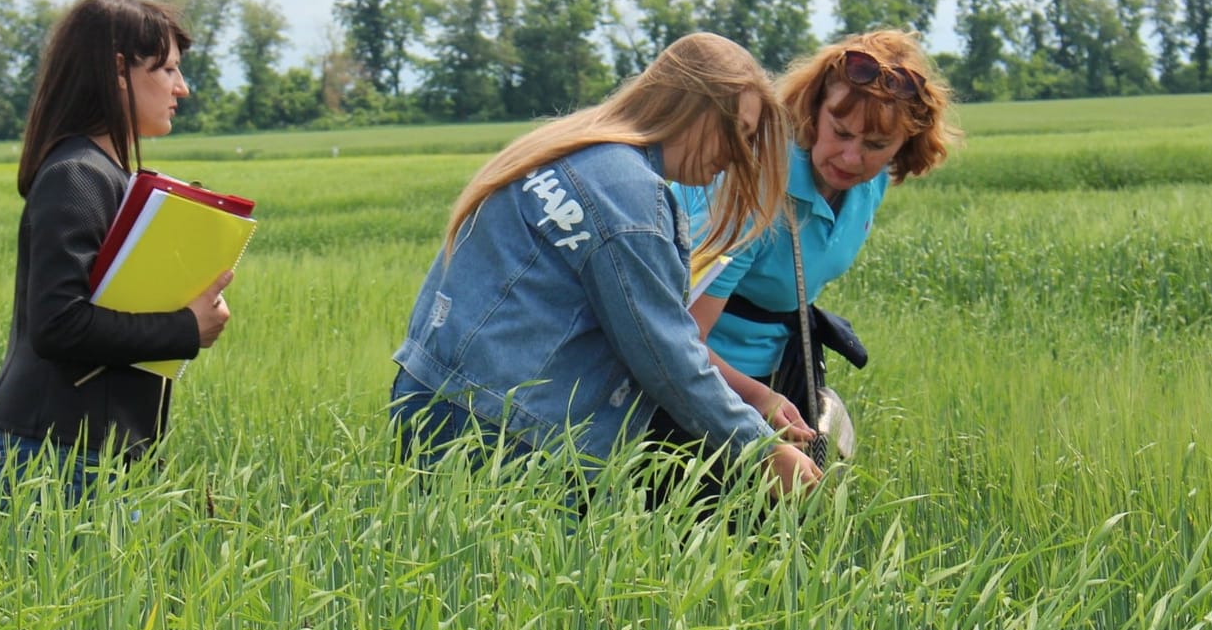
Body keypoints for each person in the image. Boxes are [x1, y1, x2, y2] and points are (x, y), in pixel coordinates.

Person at [390, 32, 821, 494]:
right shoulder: (628, 195)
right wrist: (761, 450)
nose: (737, 156)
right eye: (739, 131)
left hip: (433, 397)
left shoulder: (572, 148)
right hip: (502, 432)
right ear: (693, 107)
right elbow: (666, 356)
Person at [0, 0, 232, 497]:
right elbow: (58, 325)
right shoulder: (76, 175)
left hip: (88, 445)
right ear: (118, 70)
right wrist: (186, 327)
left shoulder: (104, 174)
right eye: (167, 69)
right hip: (60, 450)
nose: (182, 88)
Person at [677, 29, 958, 448]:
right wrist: (756, 399)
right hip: (693, 385)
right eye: (840, 132)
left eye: (876, 144)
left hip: (777, 371)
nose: (851, 157)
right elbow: (680, 339)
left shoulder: (870, 182)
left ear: (905, 144)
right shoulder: (754, 188)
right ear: (812, 112)